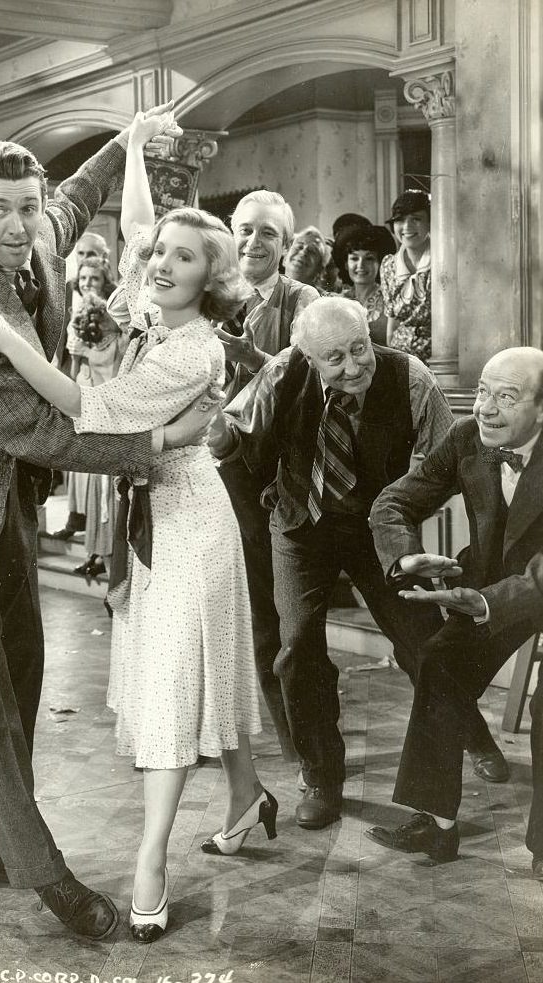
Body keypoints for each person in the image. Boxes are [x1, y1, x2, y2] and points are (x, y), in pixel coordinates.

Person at [0, 108, 274, 944]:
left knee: (169, 691)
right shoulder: (154, 309)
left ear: (214, 278)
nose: (156, 262)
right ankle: (246, 796)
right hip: (151, 513)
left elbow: (87, 408)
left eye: (181, 257)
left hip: (188, 524)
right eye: (158, 253)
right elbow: (124, 223)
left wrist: (6, 339)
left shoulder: (191, 351)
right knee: (211, 670)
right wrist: (127, 145)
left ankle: (152, 864)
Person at [208, 296, 506, 829]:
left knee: (423, 641)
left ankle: (471, 733)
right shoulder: (282, 371)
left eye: (359, 348)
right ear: (309, 356)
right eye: (335, 358)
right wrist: (217, 431)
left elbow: (447, 458)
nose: (353, 367)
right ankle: (322, 776)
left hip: (380, 528)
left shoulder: (410, 376)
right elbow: (233, 435)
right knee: (296, 647)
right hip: (302, 523)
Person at [365, 347, 543, 871]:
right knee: (438, 662)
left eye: (506, 397)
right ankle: (436, 826)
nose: (485, 408)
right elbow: (393, 502)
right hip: (489, 589)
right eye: (483, 391)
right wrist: (406, 554)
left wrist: (487, 601)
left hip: (513, 593)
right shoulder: (469, 437)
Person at [213, 189, 318, 761]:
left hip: (281, 481)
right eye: (245, 230)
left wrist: (255, 361)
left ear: (286, 244)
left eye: (268, 234)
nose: (254, 243)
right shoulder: (211, 296)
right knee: (234, 612)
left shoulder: (305, 301)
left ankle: (305, 751)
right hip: (213, 474)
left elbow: (313, 378)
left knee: (282, 620)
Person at [53, 255, 119, 541]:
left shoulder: (114, 314)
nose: (88, 283)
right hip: (81, 382)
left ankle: (99, 535)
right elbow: (70, 356)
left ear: (105, 282)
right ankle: (78, 519)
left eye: (94, 278)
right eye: (83, 278)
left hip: (105, 386)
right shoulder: (74, 309)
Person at [70, 292, 128, 580]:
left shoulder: (91, 350)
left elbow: (82, 388)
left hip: (106, 427)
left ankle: (113, 580)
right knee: (111, 503)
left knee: (110, 502)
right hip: (113, 425)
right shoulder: (121, 341)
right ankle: (115, 580)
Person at [380, 189, 431, 363]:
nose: (407, 227)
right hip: (401, 356)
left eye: (416, 219)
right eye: (400, 220)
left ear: (430, 222)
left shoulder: (442, 262)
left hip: (438, 356)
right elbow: (392, 319)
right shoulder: (389, 265)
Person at [333, 225, 396, 345]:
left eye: (369, 258)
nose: (361, 265)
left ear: (379, 263)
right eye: (354, 258)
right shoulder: (337, 300)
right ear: (346, 264)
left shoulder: (390, 299)